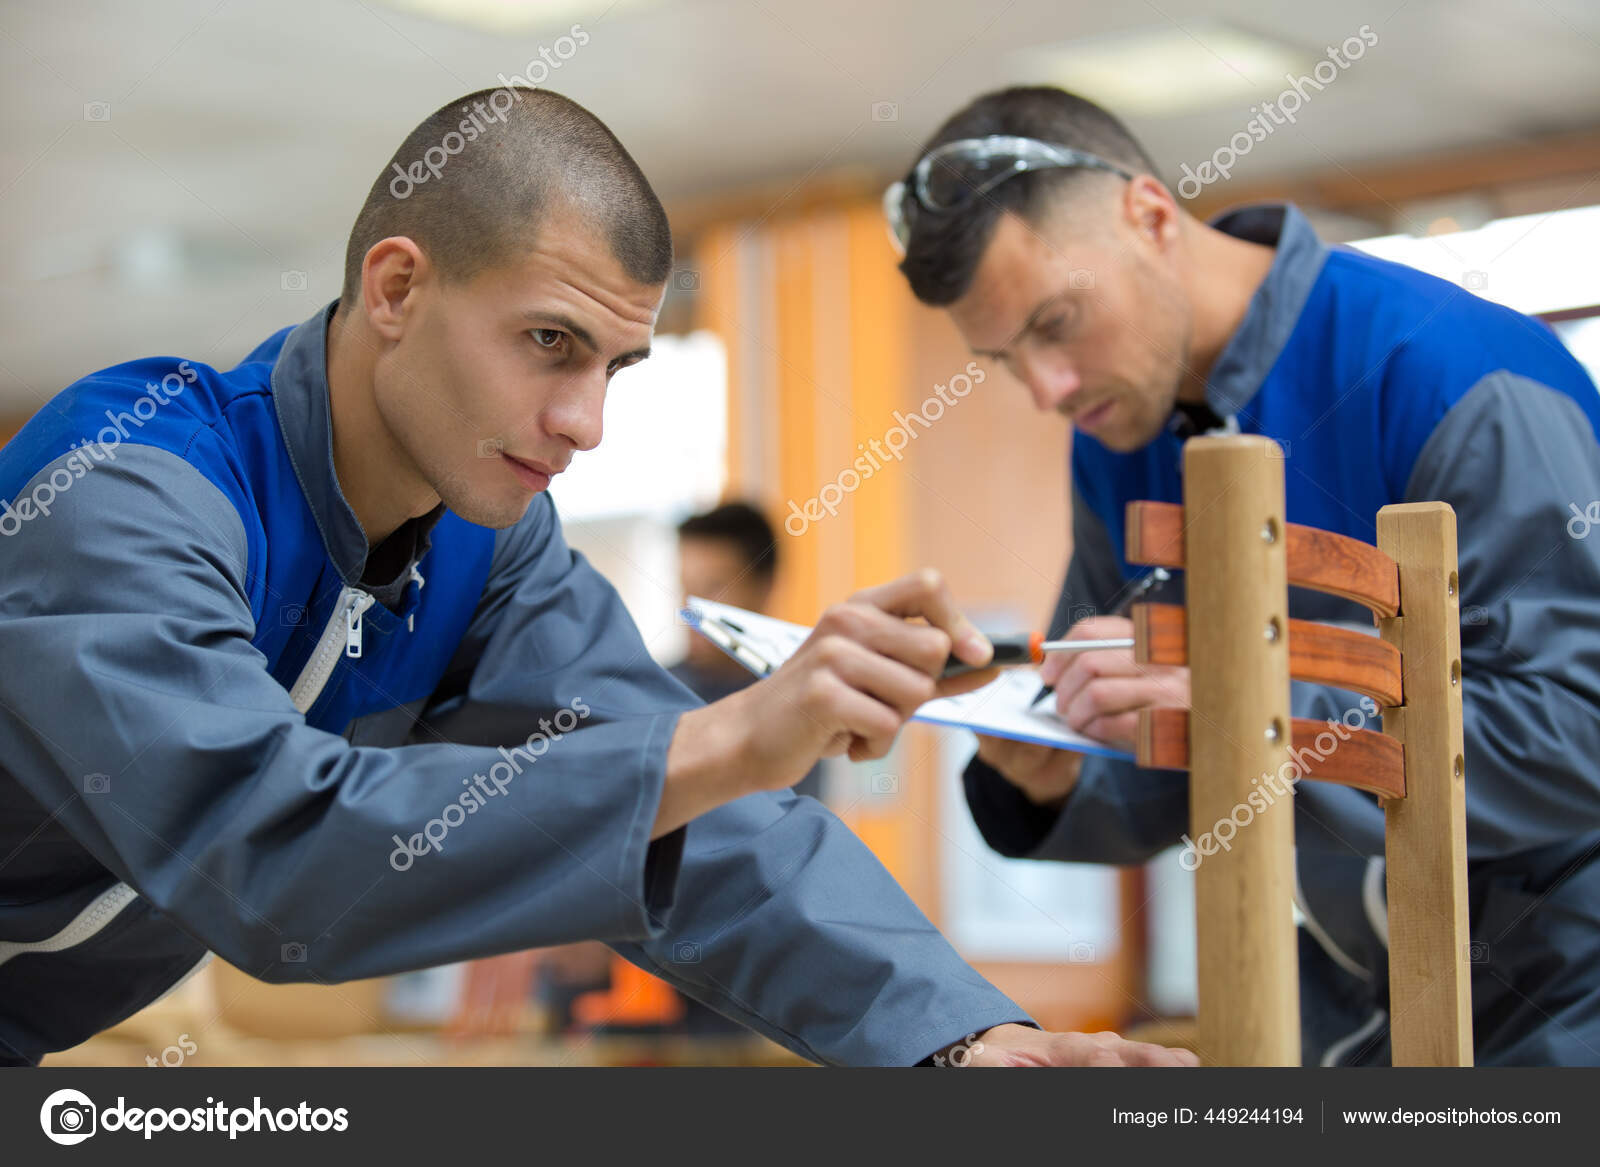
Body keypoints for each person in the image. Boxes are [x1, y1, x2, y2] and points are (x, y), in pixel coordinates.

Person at [0, 85, 1192, 1069]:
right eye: (548, 342)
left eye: (616, 366)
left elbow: (687, 828)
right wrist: (737, 735)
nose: (584, 424)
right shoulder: (127, 489)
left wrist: (960, 1042)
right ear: (397, 288)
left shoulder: (489, 545)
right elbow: (267, 860)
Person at [887, 85, 1600, 1066]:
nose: (1046, 389)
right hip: (1357, 1010)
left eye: (1057, 323)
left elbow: (1580, 729)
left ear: (1149, 216)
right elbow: (1175, 767)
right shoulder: (1116, 439)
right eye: (1004, 358)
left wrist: (1245, 703)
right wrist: (1053, 777)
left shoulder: (1452, 373)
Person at [670, 501, 823, 801]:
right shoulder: (653, 693)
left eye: (712, 588)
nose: (691, 608)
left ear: (764, 587)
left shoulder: (802, 701)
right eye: (685, 587)